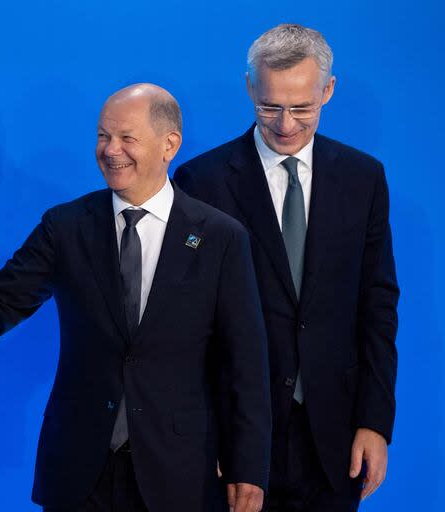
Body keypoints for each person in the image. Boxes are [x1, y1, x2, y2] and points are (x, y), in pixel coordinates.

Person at [0, 84, 271, 512]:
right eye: (103, 136)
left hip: (180, 473)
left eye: (127, 138)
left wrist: (248, 467)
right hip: (80, 470)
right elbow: (1, 298)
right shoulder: (66, 226)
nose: (110, 150)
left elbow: (246, 362)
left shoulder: (220, 237)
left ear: (169, 145)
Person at [174, 24, 399, 512]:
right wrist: (210, 432)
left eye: (302, 108)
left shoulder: (364, 179)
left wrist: (375, 421)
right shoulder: (201, 181)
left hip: (336, 436)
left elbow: (377, 306)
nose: (286, 124)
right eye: (270, 106)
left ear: (328, 90)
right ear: (250, 87)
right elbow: (187, 321)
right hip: (238, 435)